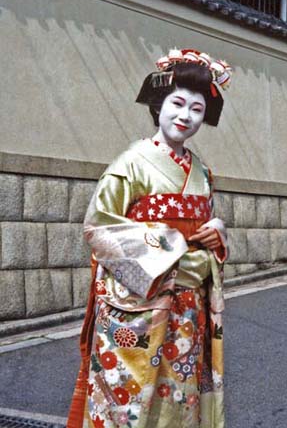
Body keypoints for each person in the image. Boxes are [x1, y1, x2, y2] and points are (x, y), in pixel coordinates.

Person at [67, 48, 232, 428]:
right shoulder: (132, 161)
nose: (185, 116)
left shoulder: (203, 171)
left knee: (180, 395)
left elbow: (205, 222)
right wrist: (172, 249)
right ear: (158, 105)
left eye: (196, 110)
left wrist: (217, 231)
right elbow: (98, 227)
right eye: (177, 103)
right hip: (139, 302)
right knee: (130, 400)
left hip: (189, 307)